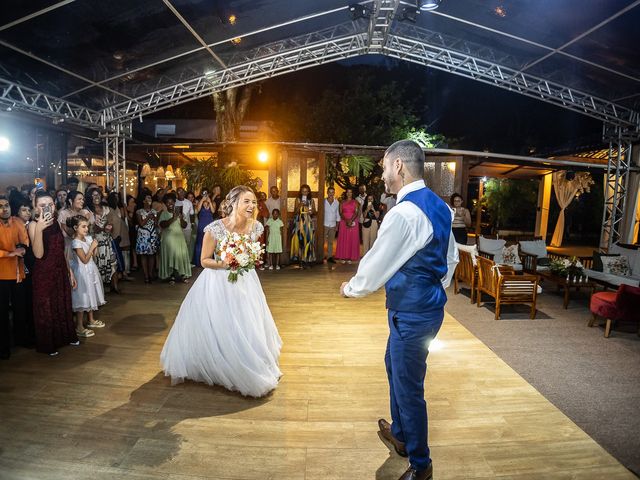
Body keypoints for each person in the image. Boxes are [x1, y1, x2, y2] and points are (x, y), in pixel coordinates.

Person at [340, 140, 458, 480]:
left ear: (399, 167)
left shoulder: (404, 213)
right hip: (424, 307)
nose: (382, 175)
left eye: (384, 168)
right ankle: (402, 435)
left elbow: (377, 262)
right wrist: (435, 286)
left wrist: (352, 288)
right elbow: (449, 257)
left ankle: (421, 465)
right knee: (393, 363)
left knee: (409, 387)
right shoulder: (438, 206)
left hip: (413, 312)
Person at [160, 186, 282, 397]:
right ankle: (222, 364)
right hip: (218, 282)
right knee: (223, 323)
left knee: (247, 322)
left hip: (246, 280)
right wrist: (227, 263)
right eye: (247, 201)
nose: (252, 206)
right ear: (233, 203)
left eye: (253, 202)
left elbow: (252, 254)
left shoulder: (256, 227)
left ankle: (248, 360)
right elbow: (204, 260)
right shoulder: (214, 229)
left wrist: (248, 259)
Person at [28, 191, 79, 356]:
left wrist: (69, 271)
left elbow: (61, 249)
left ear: (54, 205)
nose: (47, 208)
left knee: (62, 304)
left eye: (50, 204)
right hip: (44, 274)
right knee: (47, 309)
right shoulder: (33, 225)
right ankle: (48, 344)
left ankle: (65, 337)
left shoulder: (56, 223)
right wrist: (40, 229)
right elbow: (38, 254)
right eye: (42, 205)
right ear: (36, 207)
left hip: (60, 271)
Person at [0, 196, 30, 359]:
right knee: (2, 313)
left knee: (20, 309)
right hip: (1, 275)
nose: (4, 209)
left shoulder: (17, 222)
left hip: (18, 274)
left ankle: (21, 339)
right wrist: (10, 253)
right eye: (1, 206)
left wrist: (23, 249)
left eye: (6, 205)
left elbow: (24, 242)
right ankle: (3, 347)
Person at [67, 215, 105, 338]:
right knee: (82, 298)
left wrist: (95, 246)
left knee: (91, 293)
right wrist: (91, 248)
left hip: (91, 269)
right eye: (83, 226)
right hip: (82, 272)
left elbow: (95, 255)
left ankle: (91, 320)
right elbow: (83, 260)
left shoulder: (88, 238)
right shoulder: (75, 242)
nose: (86, 229)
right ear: (75, 227)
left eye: (87, 226)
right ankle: (79, 326)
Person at [86, 188, 119, 293]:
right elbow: (90, 228)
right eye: (93, 195)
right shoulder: (87, 211)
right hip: (94, 241)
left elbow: (113, 223)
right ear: (89, 198)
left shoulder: (107, 209)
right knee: (97, 264)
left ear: (101, 196)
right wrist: (101, 227)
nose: (96, 197)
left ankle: (115, 287)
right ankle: (98, 290)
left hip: (107, 240)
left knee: (113, 262)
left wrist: (109, 227)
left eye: (98, 195)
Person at [158, 194, 192, 284]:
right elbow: (162, 225)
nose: (170, 204)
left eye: (172, 202)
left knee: (181, 256)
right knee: (170, 257)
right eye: (168, 202)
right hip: (168, 240)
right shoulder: (164, 213)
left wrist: (180, 219)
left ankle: (182, 275)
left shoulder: (179, 213)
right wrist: (173, 218)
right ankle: (171, 276)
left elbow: (184, 226)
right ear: (165, 204)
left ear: (174, 202)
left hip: (179, 239)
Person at [290, 184, 316, 267]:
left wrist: (310, 212)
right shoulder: (297, 200)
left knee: (308, 240)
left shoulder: (311, 200)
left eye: (306, 191)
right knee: (300, 240)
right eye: (303, 191)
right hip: (299, 221)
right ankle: (300, 260)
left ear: (308, 192)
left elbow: (314, 211)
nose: (304, 193)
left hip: (308, 222)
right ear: (301, 192)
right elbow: (295, 212)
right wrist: (300, 205)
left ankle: (307, 259)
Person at [135, 193, 159, 283]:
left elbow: (156, 224)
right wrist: (148, 217)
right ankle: (146, 275)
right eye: (147, 198)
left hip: (152, 234)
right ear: (143, 201)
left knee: (152, 254)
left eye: (150, 198)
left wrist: (154, 218)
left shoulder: (154, 211)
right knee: (144, 255)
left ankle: (151, 273)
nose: (149, 200)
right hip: (143, 235)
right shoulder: (139, 211)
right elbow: (141, 223)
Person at [335, 189, 360, 264]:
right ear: (346, 193)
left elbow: (356, 212)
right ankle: (343, 256)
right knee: (344, 238)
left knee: (351, 239)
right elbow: (340, 212)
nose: (349, 193)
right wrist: (346, 220)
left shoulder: (356, 202)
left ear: (352, 193)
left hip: (353, 221)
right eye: (348, 192)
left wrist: (350, 220)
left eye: (351, 192)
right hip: (344, 222)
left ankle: (351, 257)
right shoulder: (342, 202)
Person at [193, 191, 215, 268]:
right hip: (202, 224)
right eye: (204, 194)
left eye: (207, 194)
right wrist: (202, 200)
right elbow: (197, 211)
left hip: (210, 224)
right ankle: (199, 261)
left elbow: (213, 211)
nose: (206, 196)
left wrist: (210, 202)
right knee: (200, 242)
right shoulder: (200, 203)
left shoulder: (212, 203)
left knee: (209, 242)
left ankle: (209, 260)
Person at [175, 187, 195, 254]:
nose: (181, 193)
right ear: (176, 193)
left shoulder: (189, 202)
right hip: (177, 227)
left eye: (183, 191)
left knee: (187, 244)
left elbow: (192, 214)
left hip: (187, 227)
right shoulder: (174, 202)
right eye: (179, 191)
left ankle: (186, 261)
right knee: (178, 245)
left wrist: (192, 223)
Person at [323, 186, 340, 263]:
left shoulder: (337, 203)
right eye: (329, 192)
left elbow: (338, 215)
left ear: (334, 193)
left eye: (332, 192)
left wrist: (337, 226)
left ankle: (329, 257)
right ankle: (321, 256)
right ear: (327, 193)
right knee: (322, 241)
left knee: (330, 242)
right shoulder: (323, 201)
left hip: (333, 225)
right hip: (324, 224)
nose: (331, 194)